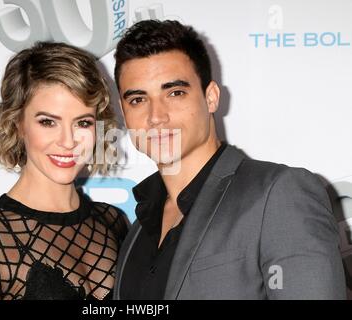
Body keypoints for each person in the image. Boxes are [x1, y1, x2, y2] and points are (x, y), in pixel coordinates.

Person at [112, 20, 346, 299]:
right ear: (124, 112)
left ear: (210, 97)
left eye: (175, 93)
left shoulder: (278, 195)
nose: (156, 116)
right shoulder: (138, 227)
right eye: (138, 99)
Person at [0, 42, 129, 300]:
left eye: (83, 122)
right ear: (17, 124)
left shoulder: (113, 222)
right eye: (48, 122)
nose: (68, 141)